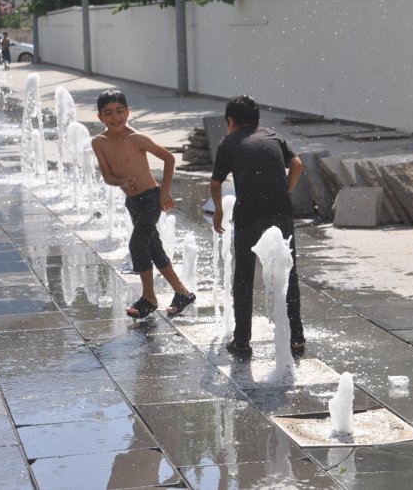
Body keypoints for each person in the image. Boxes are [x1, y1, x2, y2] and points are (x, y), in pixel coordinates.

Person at [210, 95, 306, 357]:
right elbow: (297, 163)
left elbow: (217, 182)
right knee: (288, 271)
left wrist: (218, 211)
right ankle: (297, 338)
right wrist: (287, 189)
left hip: (249, 211)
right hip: (280, 209)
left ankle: (242, 341)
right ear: (258, 120)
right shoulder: (273, 136)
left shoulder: (228, 142)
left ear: (230, 121)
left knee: (243, 274)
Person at [91, 89, 196, 319]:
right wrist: (122, 181)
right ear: (100, 117)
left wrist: (165, 193)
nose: (115, 117)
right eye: (108, 113)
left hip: (151, 198)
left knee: (137, 244)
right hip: (133, 202)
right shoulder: (99, 142)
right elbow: (107, 176)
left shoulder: (136, 138)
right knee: (153, 247)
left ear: (128, 113)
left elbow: (168, 158)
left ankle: (149, 297)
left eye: (119, 111)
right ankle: (183, 293)